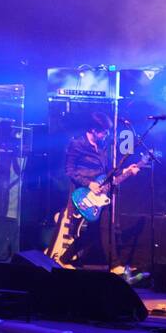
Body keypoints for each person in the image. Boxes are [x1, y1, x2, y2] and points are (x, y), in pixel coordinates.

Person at [58, 112, 139, 269]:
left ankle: (65, 259)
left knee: (100, 229)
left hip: (101, 194)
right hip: (84, 194)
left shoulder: (102, 147)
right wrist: (88, 184)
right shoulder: (77, 144)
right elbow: (69, 170)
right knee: (101, 228)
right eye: (103, 131)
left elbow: (108, 171)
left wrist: (126, 171)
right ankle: (115, 265)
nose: (106, 134)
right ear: (94, 130)